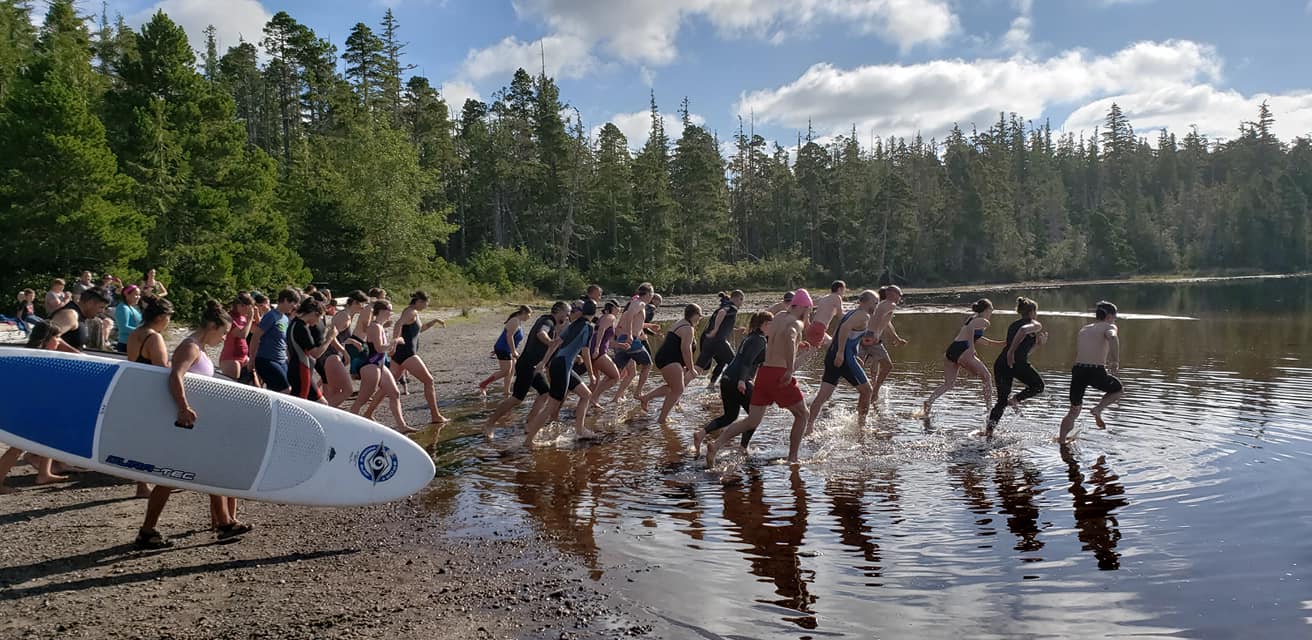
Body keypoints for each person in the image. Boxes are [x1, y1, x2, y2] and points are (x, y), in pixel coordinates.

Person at [137, 301, 248, 549]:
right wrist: (183, 407)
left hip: (193, 423)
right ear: (211, 326)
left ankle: (224, 523)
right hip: (185, 423)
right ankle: (147, 531)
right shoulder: (190, 347)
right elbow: (175, 375)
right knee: (172, 477)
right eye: (222, 333)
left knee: (206, 471)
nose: (222, 339)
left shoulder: (200, 348)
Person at [707, 289, 814, 466]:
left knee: (752, 420)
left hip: (763, 373)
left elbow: (779, 337)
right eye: (809, 309)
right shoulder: (796, 322)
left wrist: (796, 345)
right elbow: (789, 336)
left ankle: (716, 444)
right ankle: (793, 458)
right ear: (804, 307)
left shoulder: (779, 316)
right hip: (779, 374)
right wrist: (789, 369)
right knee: (803, 414)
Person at [0, 324, 72, 493]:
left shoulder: (36, 354)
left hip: (35, 405)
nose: (59, 341)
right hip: (30, 407)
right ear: (47, 340)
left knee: (50, 437)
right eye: (56, 337)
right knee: (17, 446)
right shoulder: (38, 357)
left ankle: (44, 473)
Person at [482, 302, 568, 439]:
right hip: (526, 365)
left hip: (534, 366)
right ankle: (489, 424)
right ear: (559, 311)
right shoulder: (547, 321)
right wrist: (550, 342)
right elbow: (541, 333)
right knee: (517, 399)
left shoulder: (549, 321)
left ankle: (530, 423)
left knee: (545, 392)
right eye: (566, 313)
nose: (568, 316)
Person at [694, 311, 771, 456]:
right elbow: (747, 361)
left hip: (726, 378)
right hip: (738, 380)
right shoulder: (760, 339)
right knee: (754, 418)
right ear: (766, 324)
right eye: (771, 325)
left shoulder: (750, 337)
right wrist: (742, 380)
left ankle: (701, 433)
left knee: (730, 416)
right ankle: (743, 448)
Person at [524, 301, 597, 444]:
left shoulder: (573, 324)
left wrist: (543, 362)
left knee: (586, 394)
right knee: (551, 406)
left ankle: (580, 430)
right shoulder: (588, 327)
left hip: (559, 364)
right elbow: (586, 351)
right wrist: (591, 373)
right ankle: (528, 440)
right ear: (594, 313)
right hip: (563, 366)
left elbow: (555, 343)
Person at [806, 290, 879, 432]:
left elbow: (840, 331)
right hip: (843, 358)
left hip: (834, 355)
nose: (876, 305)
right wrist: (841, 353)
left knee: (823, 396)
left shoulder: (851, 313)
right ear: (865, 302)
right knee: (867, 391)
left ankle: (809, 426)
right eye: (874, 302)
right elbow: (845, 329)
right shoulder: (863, 316)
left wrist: (846, 353)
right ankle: (862, 426)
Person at [123, 297, 174, 498]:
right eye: (168, 318)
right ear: (161, 317)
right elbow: (162, 368)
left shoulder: (135, 333)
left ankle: (142, 483)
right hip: (152, 392)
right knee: (154, 439)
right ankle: (150, 484)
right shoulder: (154, 338)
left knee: (140, 438)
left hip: (137, 388)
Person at [923, 299, 1006, 417]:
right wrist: (971, 348)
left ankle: (929, 402)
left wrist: (1001, 344)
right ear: (987, 310)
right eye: (991, 309)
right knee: (986, 377)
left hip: (952, 350)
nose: (992, 312)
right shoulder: (984, 321)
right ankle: (989, 410)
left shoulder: (972, 318)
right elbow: (971, 329)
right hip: (963, 349)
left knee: (948, 384)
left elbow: (977, 338)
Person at [1059, 301, 1124, 443]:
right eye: (1114, 317)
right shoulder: (1110, 326)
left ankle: (1062, 441)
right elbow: (1112, 337)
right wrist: (1115, 361)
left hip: (1078, 370)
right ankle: (1098, 409)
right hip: (1095, 371)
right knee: (1118, 390)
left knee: (1073, 411)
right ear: (1109, 316)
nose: (1115, 320)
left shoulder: (1084, 329)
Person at [987, 297, 1049, 436]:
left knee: (1001, 402)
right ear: (1033, 311)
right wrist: (1011, 352)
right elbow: (1022, 331)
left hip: (1002, 363)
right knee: (1038, 386)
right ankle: (1015, 400)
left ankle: (989, 432)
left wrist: (1038, 344)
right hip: (1014, 362)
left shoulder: (1012, 325)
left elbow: (1024, 352)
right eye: (1036, 311)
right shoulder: (1036, 324)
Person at [351, 300, 412, 433]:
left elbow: (384, 350)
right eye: (390, 310)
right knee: (362, 399)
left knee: (394, 393)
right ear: (383, 311)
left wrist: (392, 347)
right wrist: (396, 340)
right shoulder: (375, 327)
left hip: (380, 364)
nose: (391, 313)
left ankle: (402, 426)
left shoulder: (380, 326)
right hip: (371, 366)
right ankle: (350, 424)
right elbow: (379, 348)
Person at [388, 291, 448, 425]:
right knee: (429, 380)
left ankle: (368, 413)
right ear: (419, 301)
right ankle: (435, 415)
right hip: (407, 353)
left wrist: (434, 321)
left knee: (389, 385)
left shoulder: (412, 312)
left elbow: (418, 330)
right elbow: (398, 324)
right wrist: (394, 343)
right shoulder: (411, 312)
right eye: (426, 303)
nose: (426, 306)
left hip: (402, 354)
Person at [639, 304, 702, 425]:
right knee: (678, 389)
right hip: (669, 360)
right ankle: (662, 419)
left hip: (668, 358)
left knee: (673, 387)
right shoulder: (688, 328)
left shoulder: (682, 322)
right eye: (700, 316)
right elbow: (685, 350)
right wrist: (691, 368)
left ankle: (646, 398)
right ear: (694, 315)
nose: (700, 319)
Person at [610, 284, 656, 402]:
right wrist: (630, 334)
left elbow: (635, 321)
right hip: (630, 340)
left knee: (619, 372)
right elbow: (629, 316)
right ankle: (638, 392)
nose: (652, 297)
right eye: (652, 294)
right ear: (649, 294)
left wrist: (650, 326)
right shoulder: (640, 303)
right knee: (648, 365)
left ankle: (600, 397)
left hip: (623, 340)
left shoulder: (636, 303)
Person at [860, 286, 908, 399]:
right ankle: (874, 392)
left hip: (865, 336)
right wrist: (875, 333)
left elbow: (887, 324)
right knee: (887, 366)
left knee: (859, 365)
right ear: (891, 293)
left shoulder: (882, 304)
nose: (900, 298)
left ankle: (867, 390)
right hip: (872, 338)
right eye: (899, 294)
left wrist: (896, 338)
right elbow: (878, 315)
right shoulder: (890, 304)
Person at [321, 290, 366, 406]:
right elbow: (331, 337)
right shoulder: (344, 316)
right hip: (331, 355)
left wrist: (353, 342)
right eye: (362, 304)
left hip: (332, 355)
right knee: (346, 390)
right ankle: (326, 412)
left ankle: (326, 411)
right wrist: (344, 352)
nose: (363, 307)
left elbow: (341, 337)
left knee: (332, 391)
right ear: (355, 302)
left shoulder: (347, 316)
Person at [250, 288, 299, 394]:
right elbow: (255, 337)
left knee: (283, 389)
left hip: (281, 360)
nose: (294, 306)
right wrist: (251, 360)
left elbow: (284, 342)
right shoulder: (271, 316)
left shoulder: (285, 318)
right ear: (285, 300)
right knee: (286, 389)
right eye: (292, 303)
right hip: (266, 359)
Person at [478, 306, 531, 396]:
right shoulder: (515, 321)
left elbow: (506, 335)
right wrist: (513, 351)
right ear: (524, 313)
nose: (529, 317)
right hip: (504, 349)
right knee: (505, 371)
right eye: (529, 315)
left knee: (512, 370)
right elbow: (508, 336)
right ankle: (483, 384)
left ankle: (506, 392)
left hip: (505, 348)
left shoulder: (518, 322)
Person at [288, 297, 332, 403]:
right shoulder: (301, 328)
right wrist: (330, 338)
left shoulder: (294, 322)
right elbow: (316, 353)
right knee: (301, 404)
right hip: (302, 370)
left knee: (322, 403)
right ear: (313, 313)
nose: (318, 321)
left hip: (298, 368)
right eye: (319, 317)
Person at [695, 290, 742, 385]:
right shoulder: (731, 307)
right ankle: (730, 385)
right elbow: (722, 313)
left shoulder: (724, 305)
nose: (741, 303)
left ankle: (710, 384)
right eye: (741, 300)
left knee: (699, 368)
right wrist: (715, 330)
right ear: (738, 298)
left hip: (709, 341)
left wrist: (735, 330)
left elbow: (723, 325)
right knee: (734, 364)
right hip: (719, 342)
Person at [48, 286, 110, 352]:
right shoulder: (70, 314)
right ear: (90, 303)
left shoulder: (81, 317)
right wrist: (79, 355)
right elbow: (49, 337)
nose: (102, 311)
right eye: (101, 307)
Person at [586, 300, 622, 407]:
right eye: (619, 307)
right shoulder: (610, 316)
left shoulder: (603, 318)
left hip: (593, 348)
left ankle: (584, 401)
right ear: (614, 307)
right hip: (598, 350)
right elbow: (601, 330)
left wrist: (620, 345)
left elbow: (607, 341)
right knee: (615, 377)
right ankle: (593, 398)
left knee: (595, 382)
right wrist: (597, 348)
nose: (620, 310)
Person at [219, 292, 258, 385]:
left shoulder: (243, 317)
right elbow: (242, 334)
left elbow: (254, 330)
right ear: (240, 305)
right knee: (233, 385)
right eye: (248, 307)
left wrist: (256, 316)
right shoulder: (231, 318)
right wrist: (249, 319)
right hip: (231, 357)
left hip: (243, 356)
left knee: (255, 385)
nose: (249, 310)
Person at [804, 281, 846, 350]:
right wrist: (852, 318)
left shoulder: (825, 298)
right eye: (843, 291)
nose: (843, 294)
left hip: (813, 326)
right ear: (839, 289)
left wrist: (807, 317)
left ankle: (831, 360)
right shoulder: (837, 297)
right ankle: (794, 361)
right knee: (809, 354)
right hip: (820, 328)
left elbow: (810, 303)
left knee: (831, 344)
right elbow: (840, 316)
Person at [113, 285, 143, 353]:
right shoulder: (123, 308)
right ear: (126, 294)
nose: (138, 297)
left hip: (134, 344)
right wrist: (143, 332)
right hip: (126, 345)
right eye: (136, 294)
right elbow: (124, 327)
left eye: (139, 295)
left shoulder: (131, 307)